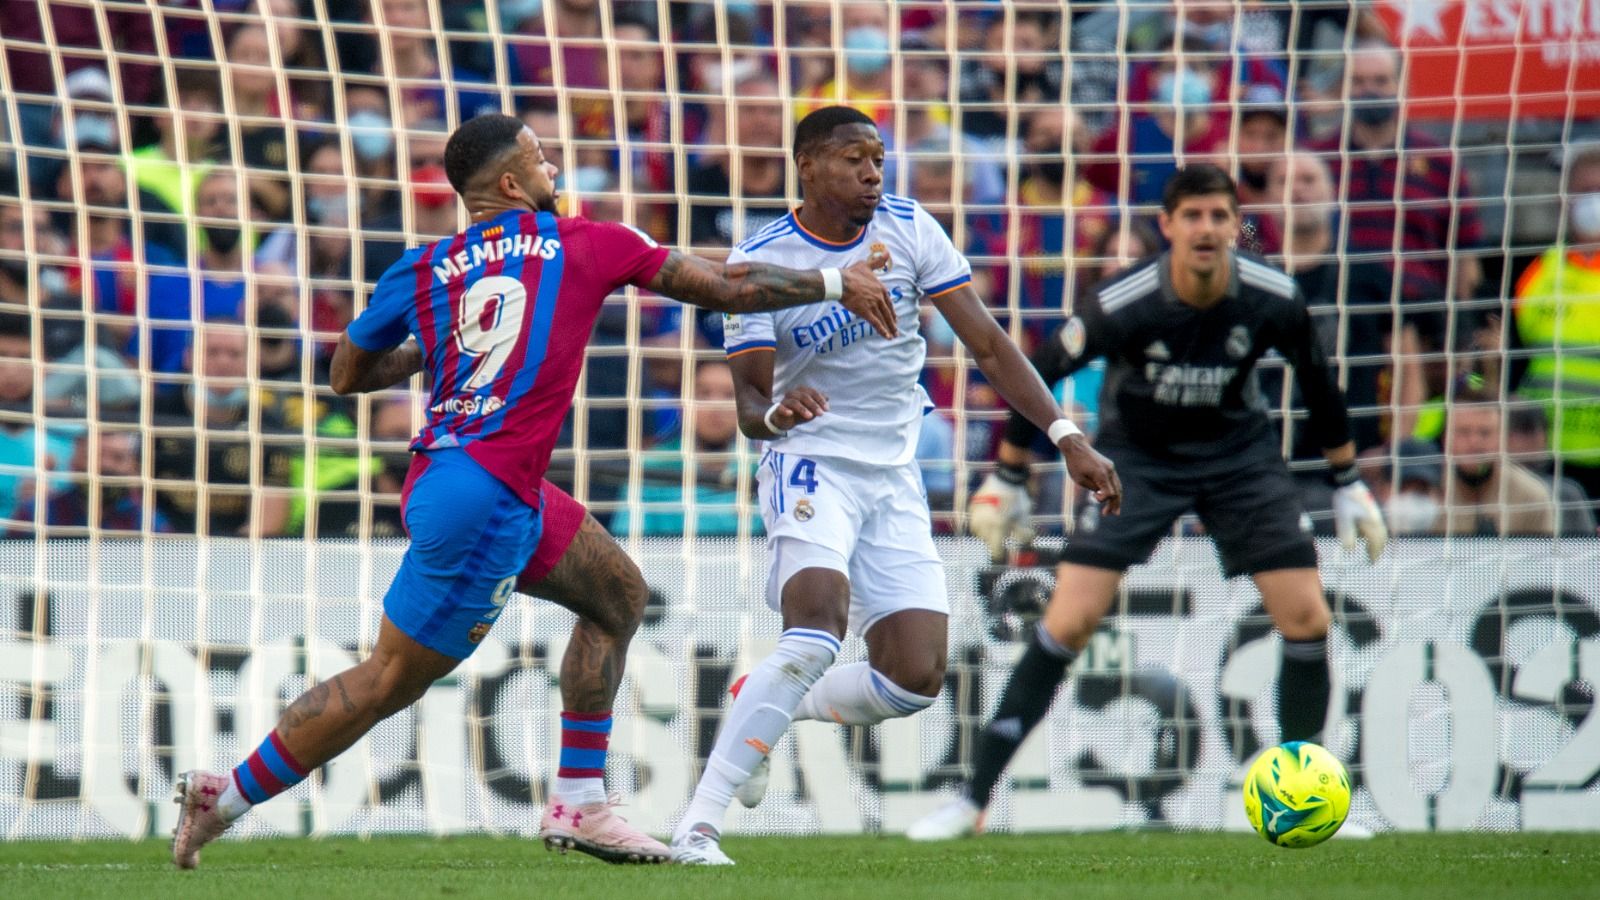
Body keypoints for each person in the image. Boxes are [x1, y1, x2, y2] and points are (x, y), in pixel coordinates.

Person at [169, 113, 898, 869]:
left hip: (478, 481)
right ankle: (224, 797)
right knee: (386, 681)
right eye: (542, 159)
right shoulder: (586, 242)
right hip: (484, 497)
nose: (555, 170)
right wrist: (832, 280)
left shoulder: (425, 266)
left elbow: (346, 375)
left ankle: (581, 801)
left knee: (617, 596)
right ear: (512, 183)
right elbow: (725, 286)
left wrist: (434, 348)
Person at [667, 106, 1121, 866]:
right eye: (854, 159)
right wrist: (777, 413)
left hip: (895, 475)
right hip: (809, 462)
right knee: (815, 629)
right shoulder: (759, 259)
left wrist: (1066, 436)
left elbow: (987, 343)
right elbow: (748, 406)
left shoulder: (911, 229)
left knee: (914, 679)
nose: (874, 173)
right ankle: (697, 826)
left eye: (878, 158)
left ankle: (763, 703)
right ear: (808, 167)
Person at [907, 165, 1388, 840]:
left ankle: (1304, 801)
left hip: (1240, 461)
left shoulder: (1273, 296)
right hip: (1135, 463)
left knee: (1307, 618)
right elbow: (1041, 369)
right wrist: (1009, 475)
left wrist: (1349, 483)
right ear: (1167, 227)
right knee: (1068, 623)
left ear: (1234, 226)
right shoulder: (1123, 300)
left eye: (1219, 217)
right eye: (1191, 216)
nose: (1205, 229)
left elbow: (1319, 383)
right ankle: (971, 799)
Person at [1513, 145, 1600, 506]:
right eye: (1584, 191)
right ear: (1564, 199)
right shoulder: (1537, 274)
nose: (1593, 202)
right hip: (1547, 456)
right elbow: (1514, 362)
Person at [1433, 389, 1555, 537]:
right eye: (1463, 432)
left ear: (1503, 438)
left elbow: (1544, 557)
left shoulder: (1532, 496)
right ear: (1445, 438)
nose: (1474, 442)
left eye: (1485, 432)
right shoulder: (1427, 491)